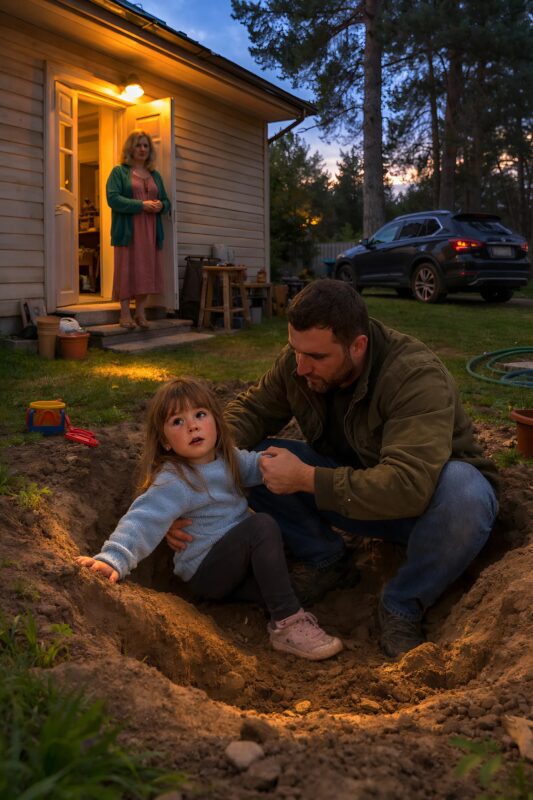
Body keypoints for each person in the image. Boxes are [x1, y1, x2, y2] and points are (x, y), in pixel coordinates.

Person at [167, 280, 499, 659]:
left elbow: (409, 486)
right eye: (295, 351)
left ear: (357, 346)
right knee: (253, 455)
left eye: (317, 357)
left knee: (467, 492)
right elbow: (249, 413)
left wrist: (307, 479)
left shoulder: (414, 376)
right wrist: (181, 488)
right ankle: (325, 558)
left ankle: (403, 603)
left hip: (428, 510)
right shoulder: (301, 362)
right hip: (352, 493)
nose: (301, 366)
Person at [75, 377, 343, 662]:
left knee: (282, 581)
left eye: (200, 415)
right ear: (165, 441)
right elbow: (143, 519)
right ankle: (287, 625)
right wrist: (113, 557)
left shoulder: (229, 460)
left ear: (216, 422)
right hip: (207, 571)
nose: (192, 426)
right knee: (261, 526)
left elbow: (260, 465)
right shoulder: (174, 480)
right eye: (177, 421)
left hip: (237, 567)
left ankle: (283, 603)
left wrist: (311, 471)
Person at [106, 130, 171, 330]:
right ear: (130, 148)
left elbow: (167, 202)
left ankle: (140, 313)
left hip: (151, 231)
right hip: (128, 230)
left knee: (146, 271)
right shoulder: (119, 172)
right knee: (126, 269)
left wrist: (161, 205)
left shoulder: (155, 175)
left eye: (146, 146)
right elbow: (113, 199)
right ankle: (124, 313)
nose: (142, 149)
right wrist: (141, 205)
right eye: (138, 145)